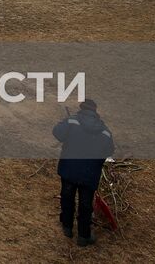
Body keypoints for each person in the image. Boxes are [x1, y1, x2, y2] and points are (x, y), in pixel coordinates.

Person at [53, 98, 115, 246]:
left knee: (67, 196)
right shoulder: (105, 132)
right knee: (86, 204)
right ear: (95, 112)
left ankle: (67, 227)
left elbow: (57, 133)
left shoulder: (72, 122)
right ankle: (83, 235)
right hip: (90, 173)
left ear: (82, 109)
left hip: (69, 168)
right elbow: (108, 152)